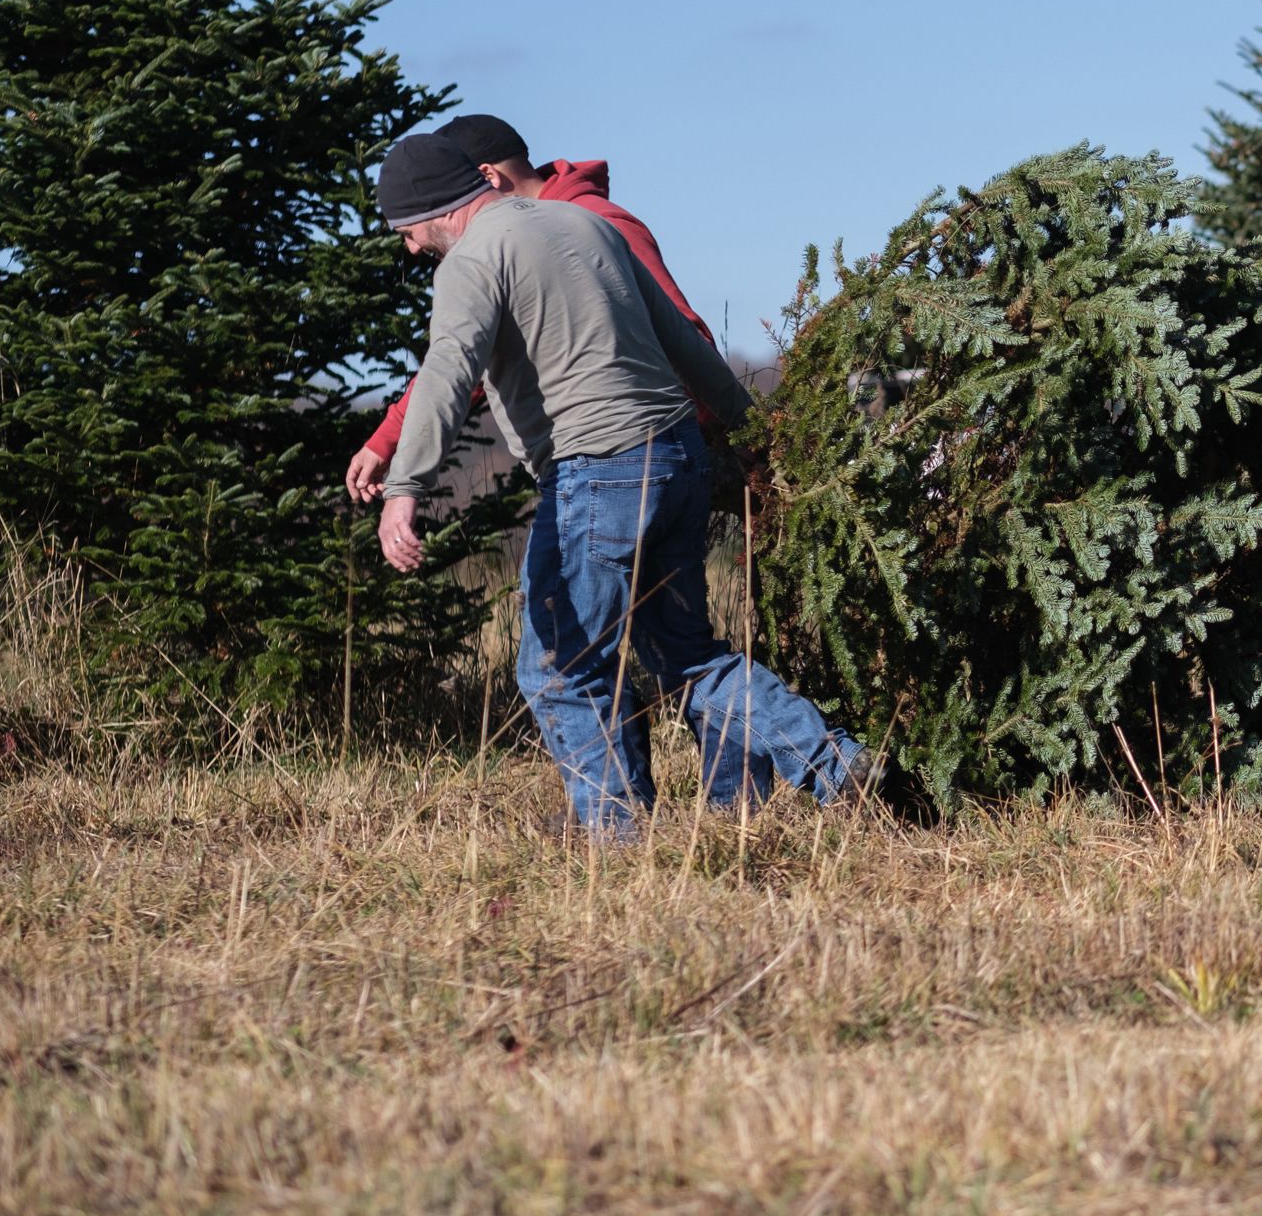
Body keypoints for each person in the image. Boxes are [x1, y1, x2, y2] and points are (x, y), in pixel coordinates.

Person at [372, 128, 876, 834]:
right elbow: (679, 338)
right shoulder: (582, 224)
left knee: (555, 667)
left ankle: (613, 833)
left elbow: (450, 372)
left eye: (406, 231)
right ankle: (836, 765)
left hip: (597, 470)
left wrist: (405, 490)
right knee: (688, 660)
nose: (410, 246)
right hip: (675, 458)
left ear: (433, 211)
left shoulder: (473, 259)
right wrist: (751, 431)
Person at [346, 113, 716, 504]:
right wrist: (389, 438)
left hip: (636, 459)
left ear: (486, 177)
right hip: (609, 463)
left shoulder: (595, 223)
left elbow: (683, 334)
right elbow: (466, 356)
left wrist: (714, 447)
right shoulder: (508, 244)